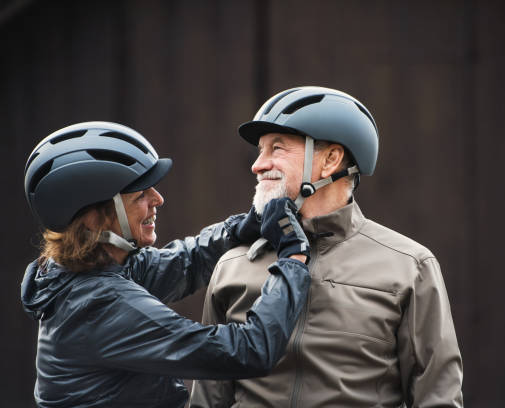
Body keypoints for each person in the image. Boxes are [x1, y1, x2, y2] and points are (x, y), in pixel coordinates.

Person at [190, 86, 463, 407]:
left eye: (277, 148)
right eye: (260, 151)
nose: (258, 165)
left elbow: (437, 398)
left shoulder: (409, 267)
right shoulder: (233, 265)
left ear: (331, 159)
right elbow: (207, 398)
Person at [20, 121, 312, 408]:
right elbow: (247, 351)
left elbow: (187, 262)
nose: (158, 199)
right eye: (140, 196)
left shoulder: (90, 269)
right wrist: (293, 258)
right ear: (95, 218)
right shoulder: (97, 307)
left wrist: (240, 228)